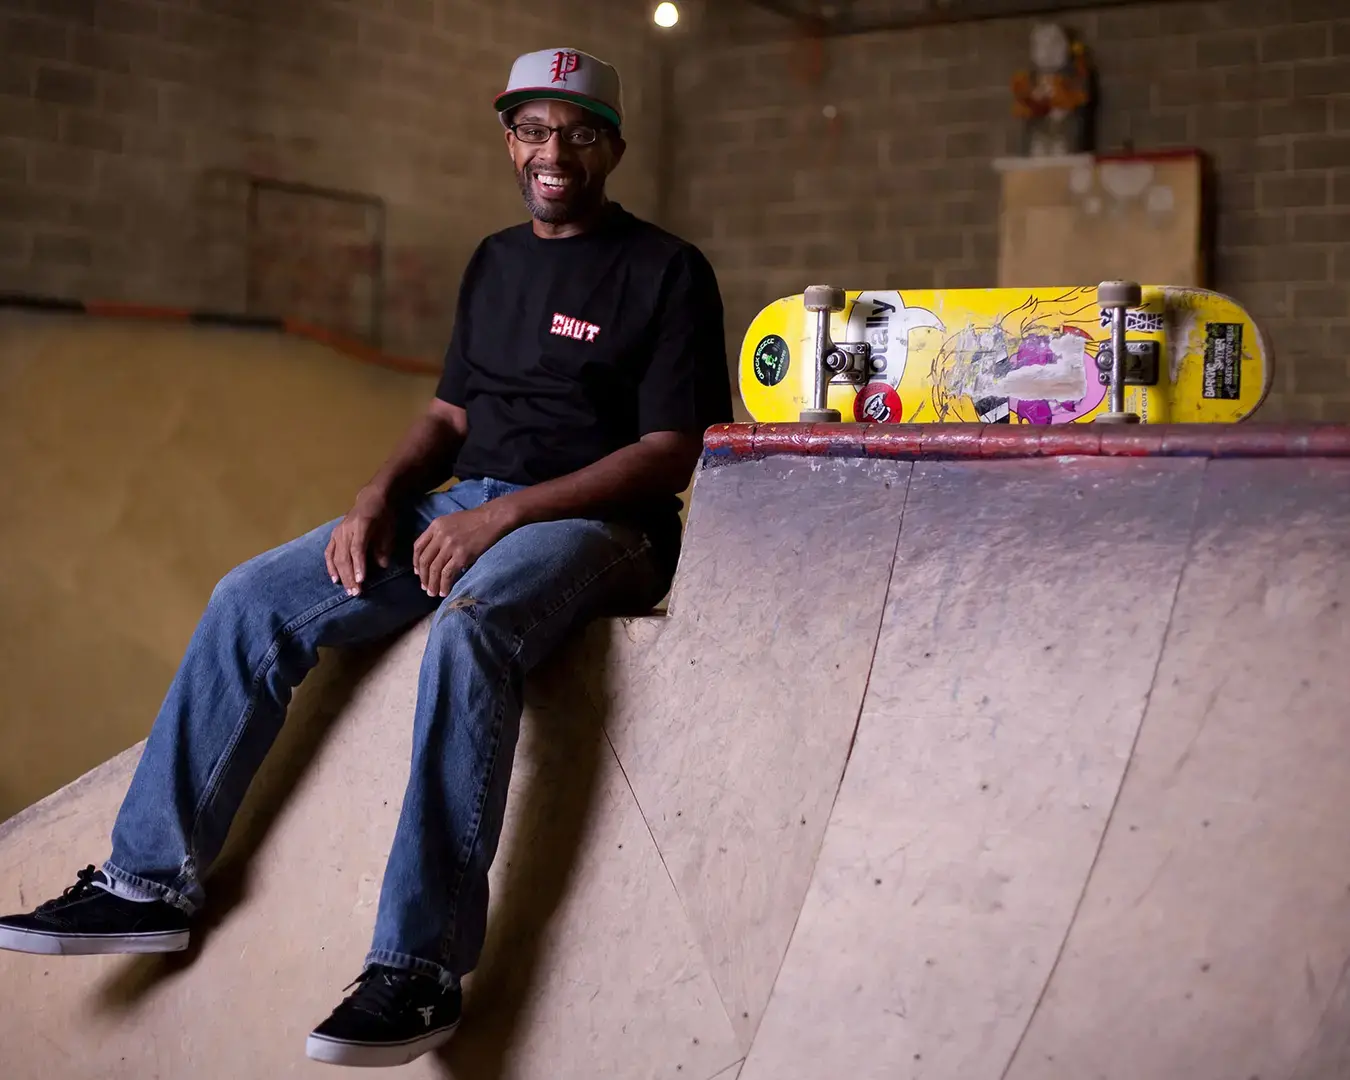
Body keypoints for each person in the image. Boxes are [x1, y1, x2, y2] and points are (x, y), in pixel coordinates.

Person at [0, 47, 733, 1069]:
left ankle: (418, 969)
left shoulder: (664, 271)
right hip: (463, 501)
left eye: (574, 131)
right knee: (253, 596)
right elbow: (449, 411)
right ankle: (147, 883)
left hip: (602, 528)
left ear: (610, 144)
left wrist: (506, 517)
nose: (550, 150)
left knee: (470, 628)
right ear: (509, 142)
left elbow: (669, 454)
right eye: (530, 129)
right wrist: (379, 494)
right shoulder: (494, 261)